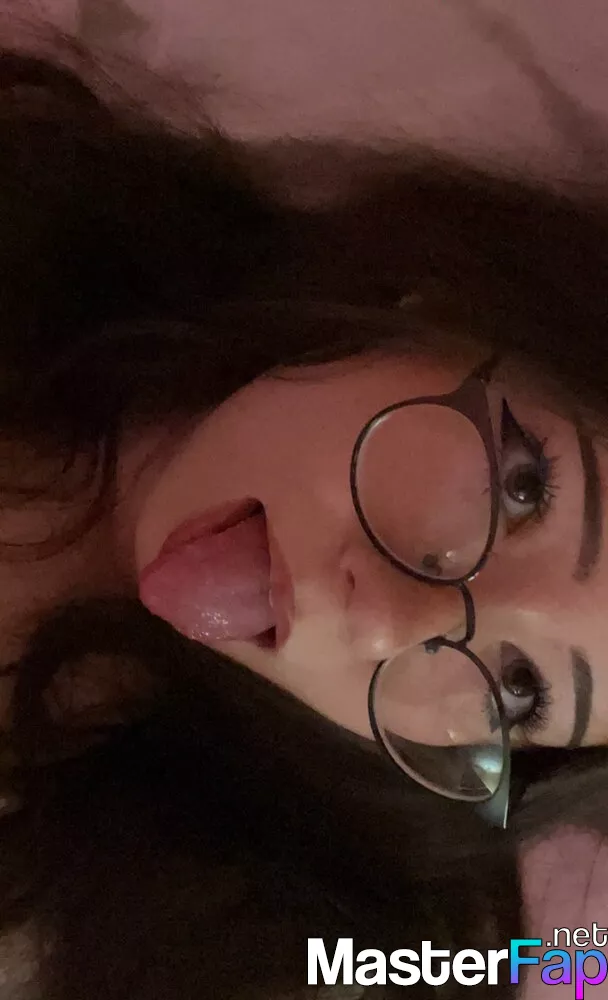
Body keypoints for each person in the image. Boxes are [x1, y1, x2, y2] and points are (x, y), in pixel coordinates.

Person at [0, 46, 605, 997]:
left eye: (521, 689)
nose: (390, 624)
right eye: (522, 489)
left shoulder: (240, 925)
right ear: (444, 303)